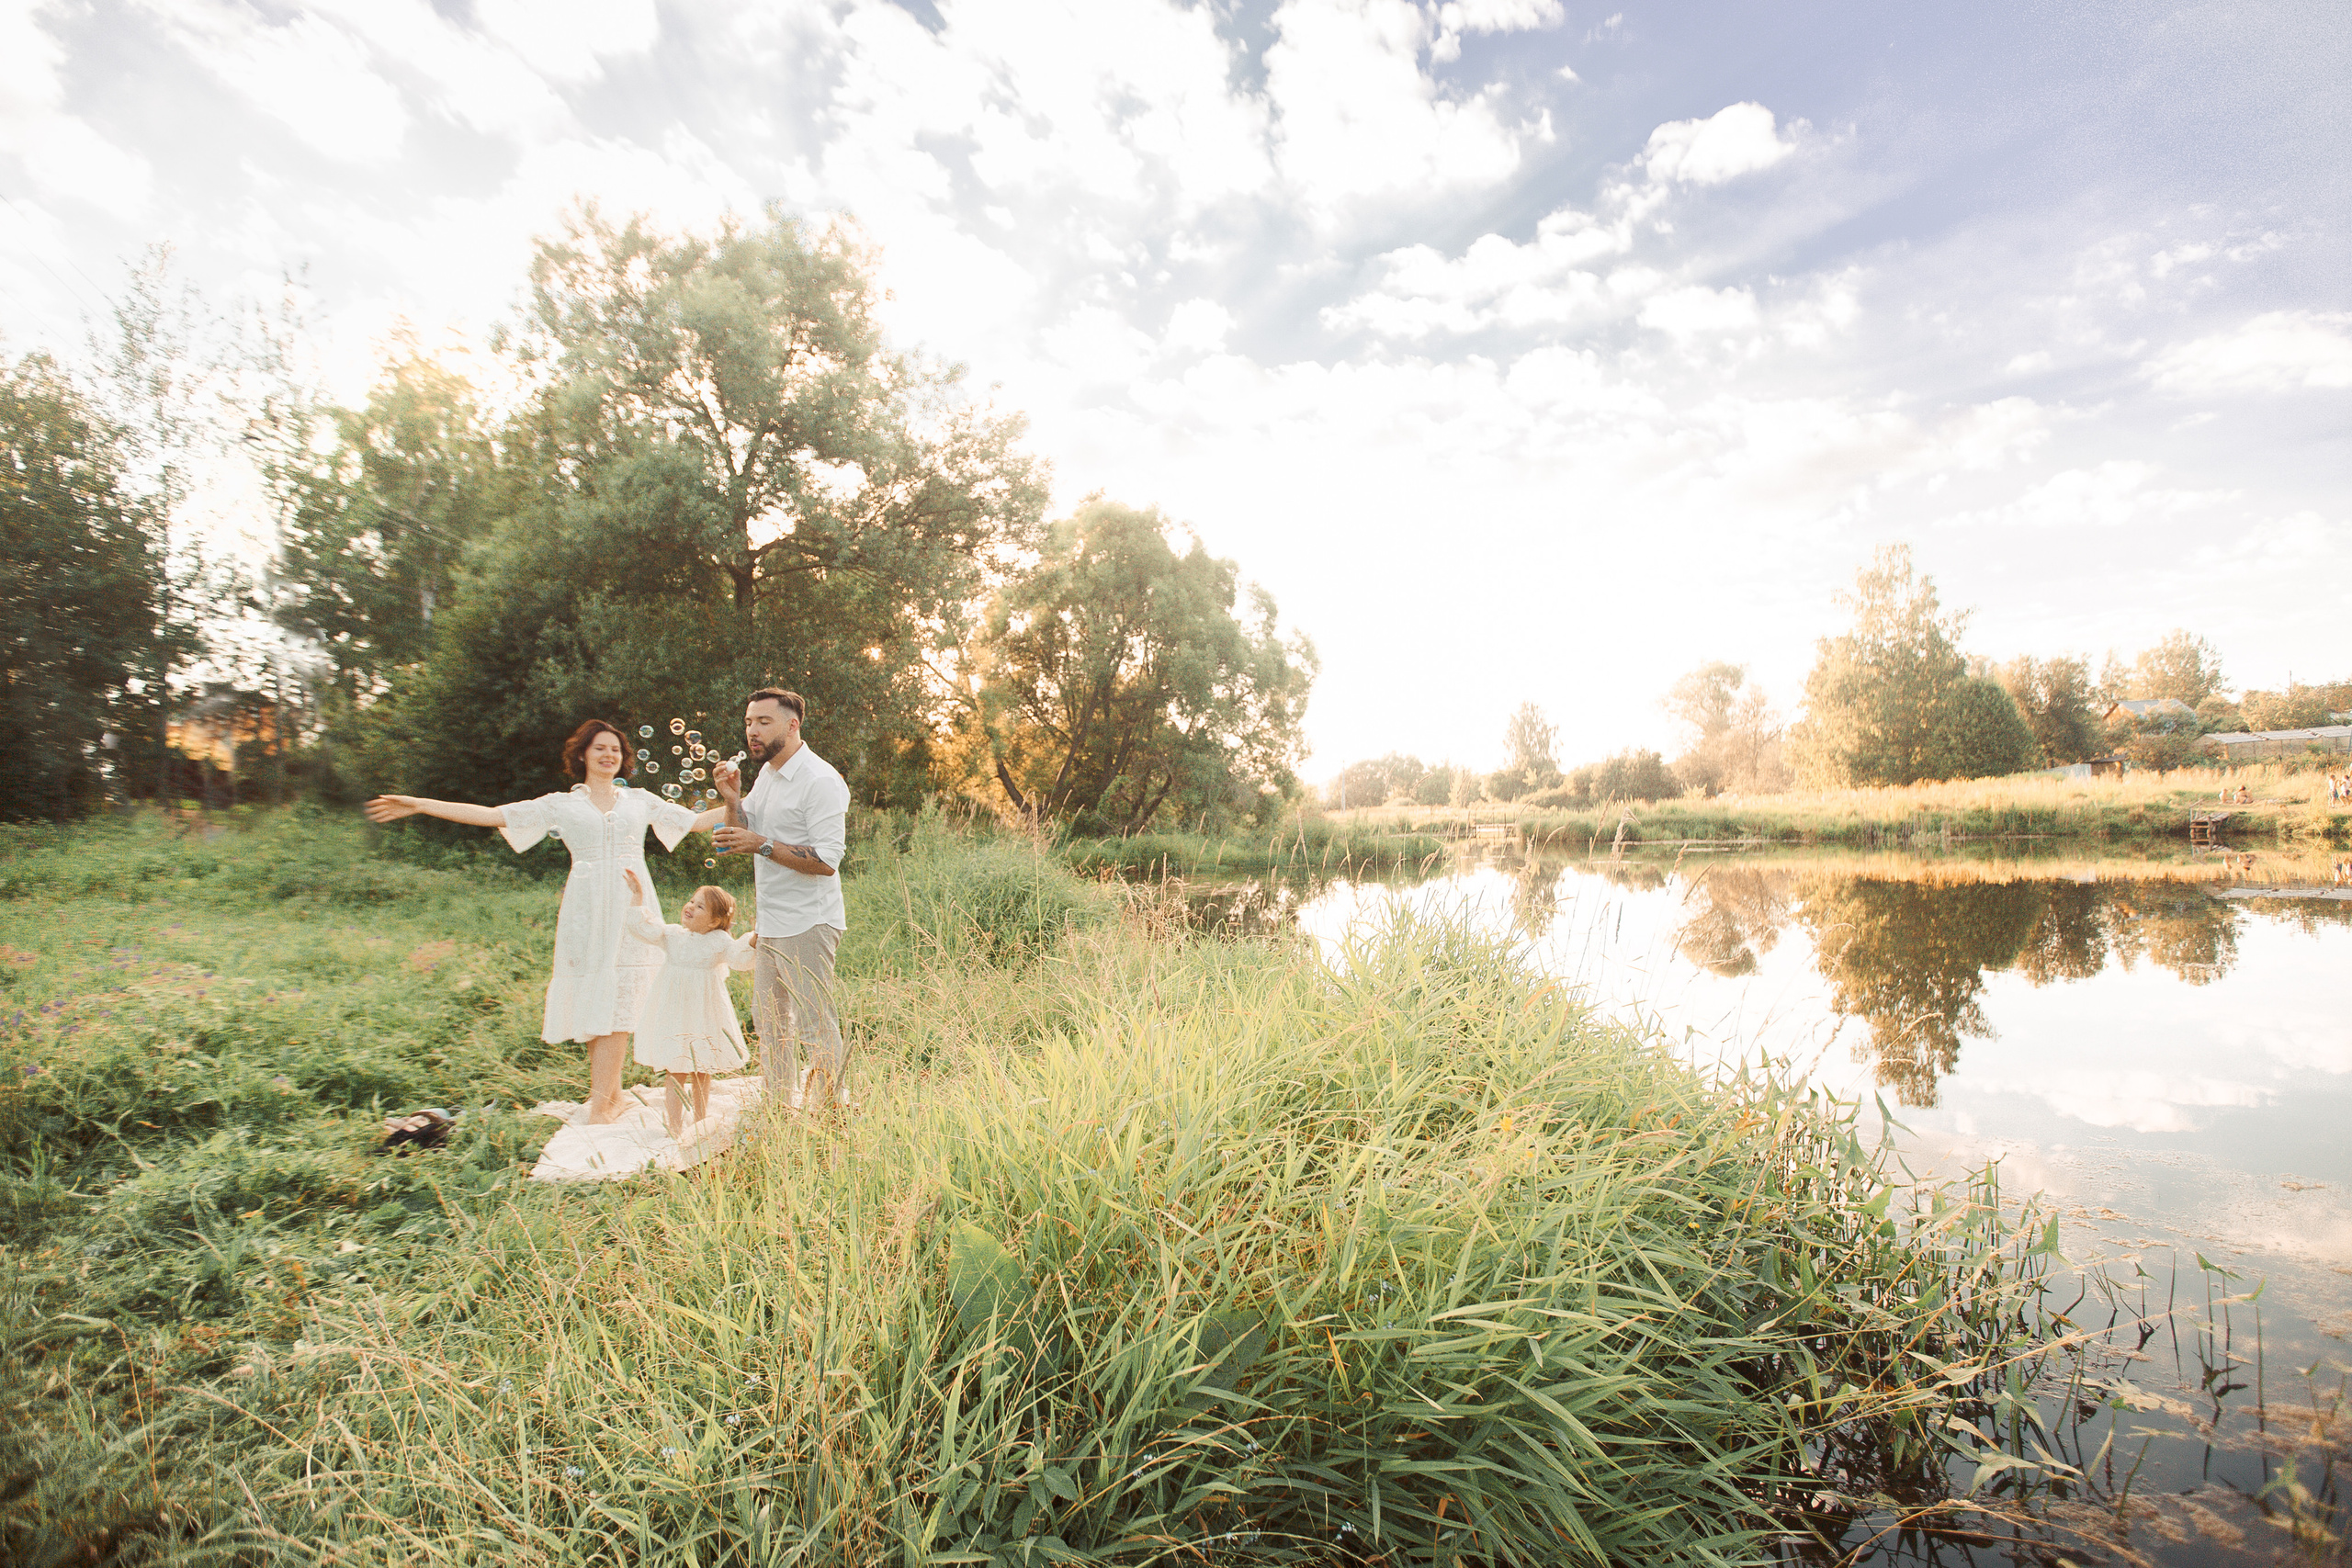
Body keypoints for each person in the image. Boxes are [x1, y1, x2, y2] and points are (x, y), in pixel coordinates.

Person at [364, 720, 725, 1124]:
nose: (609, 755)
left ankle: (603, 1103)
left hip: (631, 903)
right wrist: (421, 804)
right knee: (594, 993)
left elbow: (695, 822)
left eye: (616, 750)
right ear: (582, 754)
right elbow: (491, 815)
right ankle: (610, 1097)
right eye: (600, 748)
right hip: (586, 906)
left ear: (623, 760)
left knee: (619, 995)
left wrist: (747, 800)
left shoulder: (639, 800)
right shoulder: (561, 804)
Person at [710, 689, 851, 1112]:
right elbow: (740, 835)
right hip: (771, 923)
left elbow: (827, 861)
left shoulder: (820, 780)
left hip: (808, 923)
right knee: (770, 1025)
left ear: (793, 726)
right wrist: (733, 801)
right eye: (749, 722)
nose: (752, 731)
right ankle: (779, 1112)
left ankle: (832, 1116)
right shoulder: (768, 773)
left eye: (763, 722)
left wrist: (762, 844)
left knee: (814, 1025)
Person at [620, 868, 757, 1137]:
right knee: (676, 1068)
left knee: (702, 1069)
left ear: (715, 921)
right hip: (674, 1011)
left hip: (704, 1012)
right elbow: (643, 928)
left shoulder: (719, 940)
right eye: (692, 901)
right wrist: (637, 897)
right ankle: (673, 1124)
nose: (691, 907)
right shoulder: (673, 935)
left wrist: (755, 939)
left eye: (700, 906)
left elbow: (740, 959)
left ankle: (700, 1120)